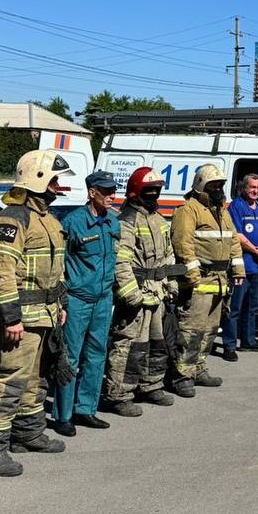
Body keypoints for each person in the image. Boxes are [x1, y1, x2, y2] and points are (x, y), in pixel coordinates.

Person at [0, 150, 74, 477]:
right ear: (38, 179)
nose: (59, 187)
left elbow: (55, 271)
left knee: (36, 379)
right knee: (8, 381)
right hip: (22, 319)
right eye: (55, 180)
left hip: (44, 314)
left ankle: (28, 433)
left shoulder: (47, 219)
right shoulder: (12, 219)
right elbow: (1, 271)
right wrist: (11, 317)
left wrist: (60, 306)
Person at [103, 167, 181, 417]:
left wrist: (171, 284)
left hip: (157, 294)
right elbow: (120, 263)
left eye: (156, 190)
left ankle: (152, 386)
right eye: (149, 191)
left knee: (157, 345)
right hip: (136, 295)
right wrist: (131, 296)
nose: (153, 195)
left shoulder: (158, 220)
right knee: (129, 347)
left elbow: (168, 255)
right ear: (136, 192)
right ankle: (119, 395)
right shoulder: (125, 221)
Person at [52, 170, 119, 436]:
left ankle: (85, 409)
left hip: (103, 299)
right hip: (78, 300)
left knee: (96, 355)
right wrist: (62, 301)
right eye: (107, 191)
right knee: (69, 357)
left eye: (114, 190)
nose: (112, 195)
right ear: (92, 193)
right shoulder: (73, 223)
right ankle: (63, 415)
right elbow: (60, 265)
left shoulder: (112, 223)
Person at [170, 164, 245, 397]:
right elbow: (183, 244)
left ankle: (199, 368)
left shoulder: (221, 211)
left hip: (220, 281)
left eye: (221, 185)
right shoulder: (188, 210)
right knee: (192, 330)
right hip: (199, 281)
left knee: (211, 329)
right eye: (213, 185)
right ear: (201, 185)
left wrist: (238, 270)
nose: (218, 189)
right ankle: (182, 375)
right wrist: (192, 276)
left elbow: (233, 240)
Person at [223, 173, 258, 354]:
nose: (255, 191)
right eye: (252, 187)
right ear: (244, 187)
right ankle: (229, 345)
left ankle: (248, 341)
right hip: (241, 266)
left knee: (252, 307)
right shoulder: (236, 206)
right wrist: (255, 250)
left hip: (256, 266)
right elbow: (238, 235)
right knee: (234, 308)